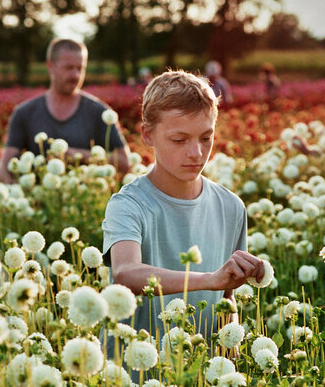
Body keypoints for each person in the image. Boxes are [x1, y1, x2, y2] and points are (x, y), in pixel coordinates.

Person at [102, 70, 266, 342]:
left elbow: (227, 298)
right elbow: (125, 273)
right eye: (179, 140)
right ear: (147, 135)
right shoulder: (128, 204)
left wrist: (229, 350)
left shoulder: (231, 207)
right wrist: (210, 279)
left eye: (206, 138)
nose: (196, 153)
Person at [0, 38, 130, 183]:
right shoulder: (24, 113)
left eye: (80, 68)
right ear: (50, 66)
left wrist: (78, 155)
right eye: (69, 68)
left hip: (86, 199)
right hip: (40, 200)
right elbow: (3, 167)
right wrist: (19, 195)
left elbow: (124, 162)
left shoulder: (100, 112)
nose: (75, 75)